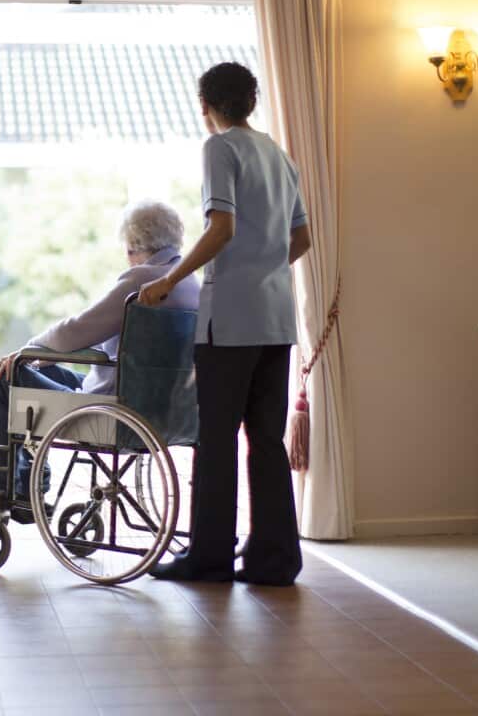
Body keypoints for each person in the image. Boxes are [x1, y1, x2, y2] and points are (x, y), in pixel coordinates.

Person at [138, 62, 312, 586]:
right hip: (276, 318)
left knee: (216, 439)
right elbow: (302, 238)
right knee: (266, 440)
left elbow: (222, 227)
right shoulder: (280, 155)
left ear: (205, 106)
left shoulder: (220, 148)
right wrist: (265, 270)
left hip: (231, 322)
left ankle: (209, 557)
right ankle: (274, 559)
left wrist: (169, 279)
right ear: (251, 101)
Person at [0, 200, 200, 519]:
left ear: (134, 244)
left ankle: (2, 491)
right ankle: (25, 486)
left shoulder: (141, 281)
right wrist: (41, 360)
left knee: (8, 375)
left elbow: (78, 329)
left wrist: (30, 350)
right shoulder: (190, 283)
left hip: (116, 410)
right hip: (165, 410)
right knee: (45, 370)